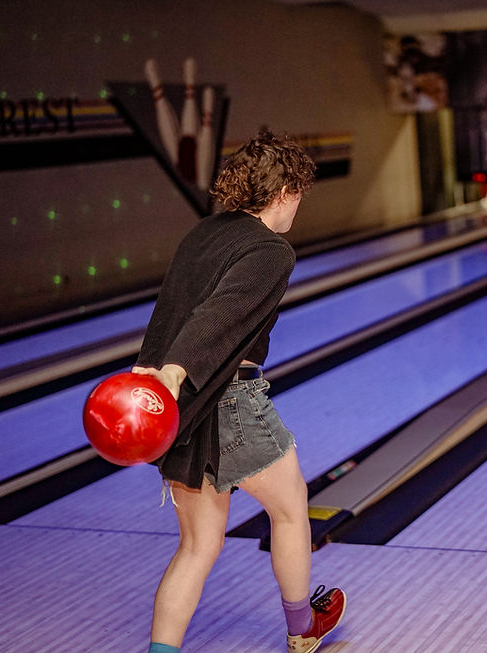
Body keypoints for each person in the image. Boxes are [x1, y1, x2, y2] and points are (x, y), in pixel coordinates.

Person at [132, 129, 346, 653]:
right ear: (286, 192)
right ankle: (303, 629)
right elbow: (217, 314)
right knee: (291, 508)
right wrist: (174, 370)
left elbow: (171, 307)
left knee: (197, 546)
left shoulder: (204, 232)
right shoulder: (273, 251)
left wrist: (151, 371)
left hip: (183, 409)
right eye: (299, 194)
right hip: (230, 402)